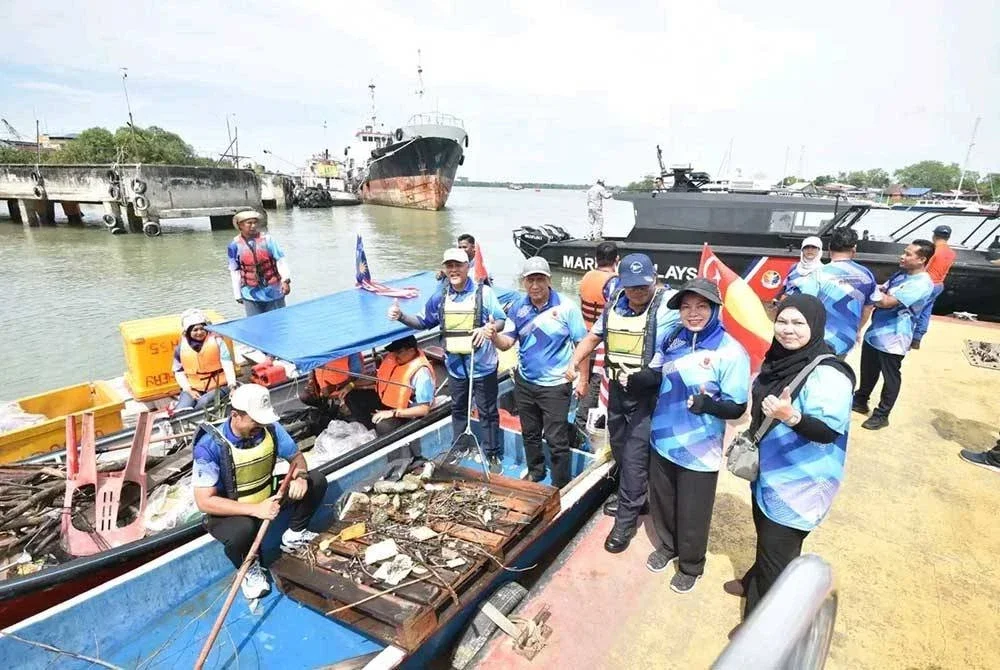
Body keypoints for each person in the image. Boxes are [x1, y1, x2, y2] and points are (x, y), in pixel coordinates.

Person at [726, 295, 855, 617]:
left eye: (798, 323)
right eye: (782, 321)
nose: (788, 330)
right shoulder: (779, 360)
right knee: (768, 540)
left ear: (815, 326)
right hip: (770, 471)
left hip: (800, 483)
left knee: (778, 556)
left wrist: (791, 416)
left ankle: (761, 624)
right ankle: (755, 579)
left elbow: (828, 432)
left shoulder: (829, 374)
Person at [567, 253, 679, 553]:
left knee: (634, 457)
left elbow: (696, 328)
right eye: (632, 287)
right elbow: (593, 338)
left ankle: (625, 523)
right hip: (617, 392)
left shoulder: (669, 307)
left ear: (654, 279)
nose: (638, 292)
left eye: (643, 286)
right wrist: (575, 362)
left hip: (648, 395)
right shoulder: (615, 302)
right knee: (618, 446)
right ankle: (637, 499)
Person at [647, 278, 750, 593]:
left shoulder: (731, 351)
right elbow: (655, 372)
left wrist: (711, 406)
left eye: (702, 306)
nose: (693, 313)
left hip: (699, 448)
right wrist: (637, 380)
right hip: (662, 437)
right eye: (687, 307)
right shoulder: (670, 337)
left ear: (715, 308)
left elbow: (738, 408)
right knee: (662, 500)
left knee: (694, 508)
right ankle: (667, 546)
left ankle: (692, 563)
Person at [193, 384, 328, 600]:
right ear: (235, 415)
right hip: (230, 508)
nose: (260, 425)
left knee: (316, 481)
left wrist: (300, 477)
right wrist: (256, 510)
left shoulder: (270, 429)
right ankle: (249, 567)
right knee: (242, 531)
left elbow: (297, 458)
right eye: (255, 420)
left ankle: (295, 534)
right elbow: (204, 502)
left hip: (266, 493)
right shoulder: (209, 447)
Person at [389, 249, 507, 472]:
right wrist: (401, 316)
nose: (453, 270)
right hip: (455, 368)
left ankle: (493, 453)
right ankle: (460, 446)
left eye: (458, 265)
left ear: (467, 267)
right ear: (445, 269)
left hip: (482, 366)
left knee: (488, 411)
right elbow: (423, 321)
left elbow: (500, 320)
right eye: (449, 266)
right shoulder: (440, 296)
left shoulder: (484, 294)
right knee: (459, 409)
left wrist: (488, 328)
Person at [492, 257, 587, 487]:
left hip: (555, 385)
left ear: (548, 280)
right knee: (530, 433)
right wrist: (493, 337)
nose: (535, 285)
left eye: (539, 279)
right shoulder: (518, 308)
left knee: (556, 440)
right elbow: (508, 342)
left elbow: (582, 344)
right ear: (524, 282)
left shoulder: (566, 308)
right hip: (525, 382)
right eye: (530, 280)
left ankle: (560, 483)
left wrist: (583, 379)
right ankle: (536, 471)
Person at [853, 240, 935, 430]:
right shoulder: (902, 275)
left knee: (890, 376)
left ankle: (882, 414)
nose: (902, 257)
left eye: (908, 254)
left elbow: (888, 301)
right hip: (876, 333)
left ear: (922, 259)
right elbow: (883, 289)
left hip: (894, 338)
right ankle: (860, 400)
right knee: (868, 368)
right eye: (904, 253)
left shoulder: (922, 283)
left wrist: (863, 290)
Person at [796, 228, 877, 357]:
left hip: (819, 341)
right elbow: (868, 308)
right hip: (847, 339)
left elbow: (806, 306)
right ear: (854, 249)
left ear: (829, 247)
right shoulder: (867, 274)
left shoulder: (818, 274)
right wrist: (858, 330)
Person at [333, 336, 436, 435]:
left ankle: (381, 439)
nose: (395, 355)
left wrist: (392, 413)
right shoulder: (396, 361)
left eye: (399, 352)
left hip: (407, 412)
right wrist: (351, 385)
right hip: (388, 401)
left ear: (412, 351)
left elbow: (424, 409)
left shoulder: (422, 374)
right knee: (352, 396)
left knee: (384, 426)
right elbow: (378, 377)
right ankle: (371, 431)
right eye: (394, 351)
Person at [576, 241, 620, 436]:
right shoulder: (614, 282)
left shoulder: (586, 278)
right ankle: (581, 425)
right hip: (601, 342)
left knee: (583, 382)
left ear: (596, 259)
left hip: (583, 337)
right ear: (616, 260)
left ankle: (580, 417)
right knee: (595, 385)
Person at [227, 210, 291, 317]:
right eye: (249, 223)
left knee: (279, 321)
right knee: (255, 324)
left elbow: (281, 261)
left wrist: (285, 281)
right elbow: (235, 271)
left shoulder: (268, 240)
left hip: (273, 290)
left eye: (255, 223)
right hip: (250, 293)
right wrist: (237, 294)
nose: (253, 226)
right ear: (240, 225)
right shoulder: (234, 245)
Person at [172, 309, 237, 411]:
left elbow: (227, 364)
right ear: (188, 332)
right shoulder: (180, 349)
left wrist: (232, 385)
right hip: (194, 387)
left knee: (203, 402)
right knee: (182, 408)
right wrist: (188, 390)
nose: (199, 332)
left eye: (202, 328)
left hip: (220, 386)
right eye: (195, 330)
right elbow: (178, 372)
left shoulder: (217, 341)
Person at [911, 225, 955, 349]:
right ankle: (917, 339)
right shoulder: (951, 253)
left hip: (927, 284)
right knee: (926, 312)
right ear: (948, 237)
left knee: (914, 310)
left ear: (934, 235)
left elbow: (924, 267)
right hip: (939, 284)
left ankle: (907, 335)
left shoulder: (933, 250)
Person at [297, 353, 365, 422]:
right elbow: (312, 366)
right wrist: (311, 380)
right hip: (329, 397)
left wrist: (335, 386)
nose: (308, 387)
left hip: (346, 392)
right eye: (312, 393)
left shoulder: (348, 347)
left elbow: (357, 373)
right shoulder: (317, 349)